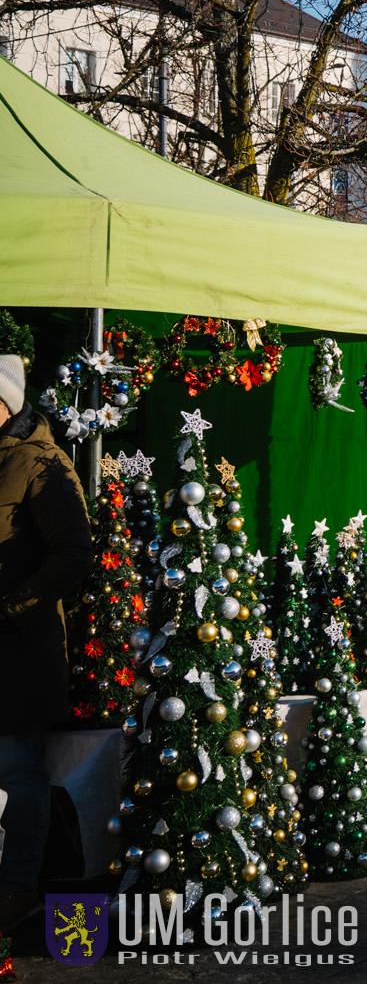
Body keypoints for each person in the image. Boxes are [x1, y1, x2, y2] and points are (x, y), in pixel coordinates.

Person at [0, 352, 93, 926]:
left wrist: (11, 608)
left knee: (15, 771)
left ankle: (17, 887)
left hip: (18, 651)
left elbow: (73, 557)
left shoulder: (42, 462)